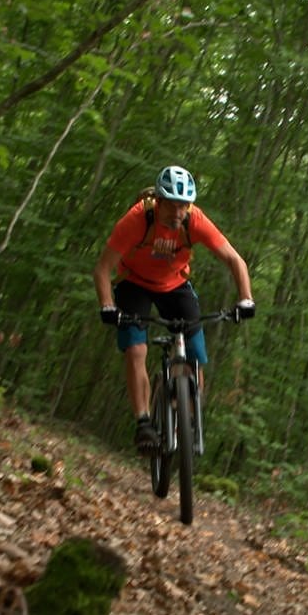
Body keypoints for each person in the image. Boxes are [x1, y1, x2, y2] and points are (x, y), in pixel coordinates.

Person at [93, 165, 256, 453]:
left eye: (184, 205)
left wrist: (245, 299)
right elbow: (103, 268)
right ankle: (143, 422)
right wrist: (107, 306)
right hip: (134, 283)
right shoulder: (137, 220)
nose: (178, 212)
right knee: (136, 348)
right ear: (158, 200)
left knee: (193, 354)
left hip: (175, 286)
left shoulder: (195, 221)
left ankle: (188, 420)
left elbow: (234, 259)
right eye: (172, 204)